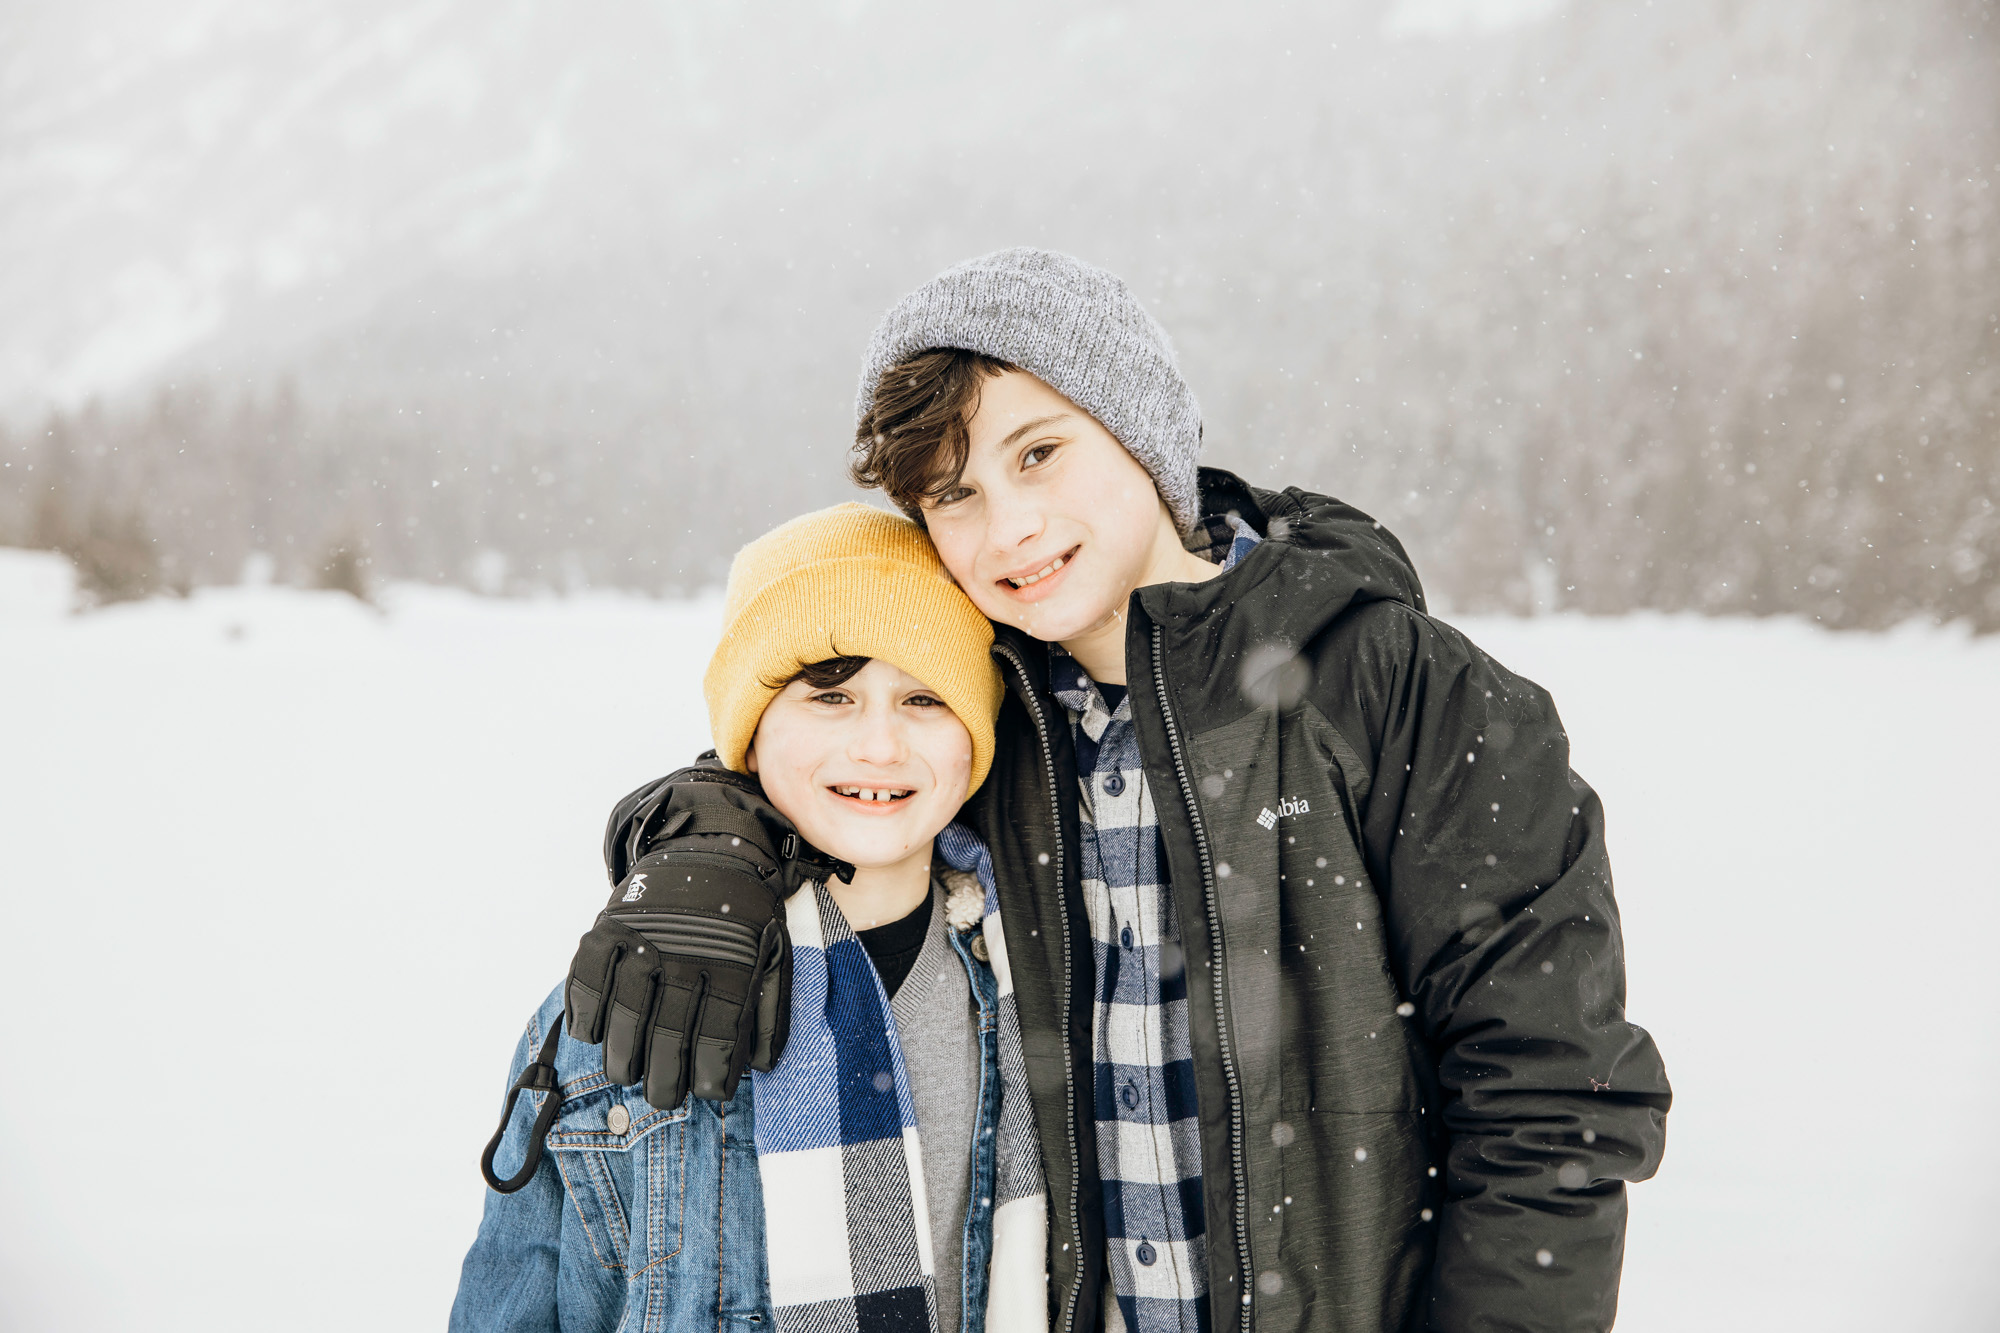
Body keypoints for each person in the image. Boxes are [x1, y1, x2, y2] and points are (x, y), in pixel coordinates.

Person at [833, 249, 1674, 1333]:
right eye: (955, 496)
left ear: (1139, 432)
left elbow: (1550, 1094)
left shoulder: (1399, 687)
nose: (1008, 529)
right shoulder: (963, 720)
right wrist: (687, 853)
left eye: (1038, 453)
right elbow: (782, 774)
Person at [452, 503, 1047, 1333]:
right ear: (751, 734)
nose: (879, 745)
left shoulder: (1051, 973)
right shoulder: (621, 1002)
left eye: (923, 697)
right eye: (831, 696)